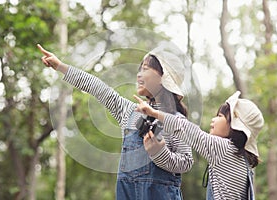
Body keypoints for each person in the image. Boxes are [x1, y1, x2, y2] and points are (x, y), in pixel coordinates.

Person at [37, 43, 194, 200]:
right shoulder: (129, 112)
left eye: (145, 69)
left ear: (162, 79)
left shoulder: (176, 120)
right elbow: (95, 86)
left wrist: (160, 153)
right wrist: (60, 66)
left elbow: (186, 162)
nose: (139, 74)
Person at [134, 91, 264, 200]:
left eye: (219, 116)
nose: (213, 119)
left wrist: (155, 113)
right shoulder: (244, 160)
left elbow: (187, 129)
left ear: (234, 126)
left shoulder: (225, 149)